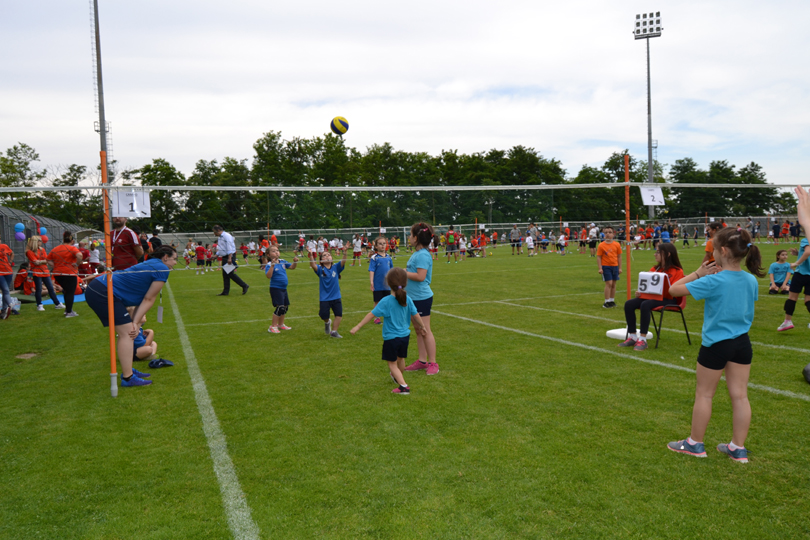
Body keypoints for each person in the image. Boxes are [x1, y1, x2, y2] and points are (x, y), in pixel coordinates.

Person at [666, 227, 764, 463]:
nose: (711, 253)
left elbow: (673, 290)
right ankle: (737, 448)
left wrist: (698, 273)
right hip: (742, 344)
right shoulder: (751, 280)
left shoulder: (713, 280)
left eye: (713, 249)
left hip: (716, 344)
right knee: (740, 397)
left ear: (723, 251)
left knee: (704, 394)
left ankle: (694, 444)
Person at [85, 245, 178, 387]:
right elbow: (148, 299)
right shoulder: (162, 268)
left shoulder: (151, 263)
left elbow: (142, 299)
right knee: (128, 333)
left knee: (127, 333)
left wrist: (136, 321)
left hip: (101, 288)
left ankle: (128, 371)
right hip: (103, 292)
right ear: (165, 257)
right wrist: (135, 322)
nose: (175, 263)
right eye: (175, 259)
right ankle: (128, 378)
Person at [351, 267, 428, 395]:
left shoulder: (386, 301)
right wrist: (422, 326)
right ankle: (398, 378)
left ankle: (403, 386)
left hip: (391, 338)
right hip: (405, 337)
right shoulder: (407, 298)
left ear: (388, 283)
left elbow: (371, 314)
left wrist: (358, 326)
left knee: (392, 364)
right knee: (400, 359)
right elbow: (416, 314)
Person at [618, 243, 685, 351]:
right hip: (653, 298)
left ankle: (643, 339)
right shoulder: (655, 269)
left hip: (669, 299)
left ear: (667, 254)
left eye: (658, 252)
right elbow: (647, 286)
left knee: (645, 304)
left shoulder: (677, 271)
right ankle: (633, 336)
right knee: (629, 304)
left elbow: (674, 291)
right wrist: (640, 292)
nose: (655, 254)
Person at [403, 222, 439, 375]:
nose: (409, 237)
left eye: (411, 235)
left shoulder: (423, 255)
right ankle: (422, 361)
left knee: (425, 330)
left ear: (416, 238)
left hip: (421, 298)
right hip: (412, 298)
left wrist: (402, 273)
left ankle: (433, 363)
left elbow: (420, 276)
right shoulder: (417, 254)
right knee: (418, 330)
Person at [776, 232, 810, 331]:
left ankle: (787, 321)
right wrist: (799, 254)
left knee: (792, 298)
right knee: (808, 300)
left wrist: (796, 263)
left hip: (801, 274)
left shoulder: (806, 240)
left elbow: (808, 252)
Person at [310, 249, 347, 338]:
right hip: (324, 298)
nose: (327, 256)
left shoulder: (336, 267)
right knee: (323, 315)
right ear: (321, 261)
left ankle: (334, 332)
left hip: (336, 296)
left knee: (339, 314)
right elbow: (313, 265)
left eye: (329, 255)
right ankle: (327, 322)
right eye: (324, 255)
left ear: (332, 258)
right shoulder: (320, 269)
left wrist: (345, 252)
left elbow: (343, 261)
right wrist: (311, 255)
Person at [47, 231, 82, 318]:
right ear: (72, 241)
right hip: (69, 273)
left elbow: (48, 259)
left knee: (66, 291)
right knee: (70, 292)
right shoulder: (72, 248)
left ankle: (68, 310)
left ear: (63, 240)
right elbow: (80, 255)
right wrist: (77, 264)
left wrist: (54, 266)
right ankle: (69, 312)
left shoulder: (55, 249)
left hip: (58, 274)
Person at [265, 245, 299, 333]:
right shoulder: (269, 265)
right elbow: (268, 276)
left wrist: (295, 262)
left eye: (277, 250)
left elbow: (292, 267)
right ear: (268, 255)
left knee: (285, 307)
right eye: (273, 251)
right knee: (280, 307)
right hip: (276, 288)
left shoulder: (283, 262)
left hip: (284, 289)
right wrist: (272, 266)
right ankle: (272, 326)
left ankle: (281, 324)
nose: (276, 252)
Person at [25, 236, 64, 311]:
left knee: (50, 288)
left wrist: (40, 261)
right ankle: (39, 305)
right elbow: (35, 262)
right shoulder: (29, 252)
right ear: (35, 242)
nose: (41, 242)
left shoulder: (42, 249)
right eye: (40, 240)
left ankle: (57, 303)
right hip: (36, 272)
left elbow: (46, 260)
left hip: (45, 271)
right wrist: (42, 261)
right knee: (38, 289)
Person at [213, 225, 249, 296]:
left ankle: (244, 285)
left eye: (214, 232)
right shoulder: (220, 237)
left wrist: (229, 258)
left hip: (229, 256)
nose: (214, 234)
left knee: (230, 273)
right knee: (225, 275)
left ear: (218, 230)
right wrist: (216, 255)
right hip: (224, 256)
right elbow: (221, 248)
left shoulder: (227, 236)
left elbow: (229, 247)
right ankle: (225, 292)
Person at [369, 236, 394, 324]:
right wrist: (371, 282)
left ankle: (388, 317)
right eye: (380, 244)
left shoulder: (388, 257)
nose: (382, 245)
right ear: (376, 246)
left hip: (387, 285)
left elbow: (391, 270)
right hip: (378, 284)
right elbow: (371, 270)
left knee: (388, 301)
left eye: (384, 243)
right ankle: (377, 318)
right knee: (377, 301)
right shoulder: (374, 258)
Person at [596, 226, 622, 308]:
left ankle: (611, 300)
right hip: (606, 266)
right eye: (606, 232)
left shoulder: (617, 244)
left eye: (610, 232)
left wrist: (620, 268)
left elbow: (619, 256)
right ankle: (606, 301)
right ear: (604, 234)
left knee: (614, 284)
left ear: (613, 234)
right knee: (609, 283)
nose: (608, 234)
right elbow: (599, 257)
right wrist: (600, 268)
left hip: (615, 266)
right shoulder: (601, 245)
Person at [0, 231, 14, 320]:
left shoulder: (4, 246)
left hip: (8, 271)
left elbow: (12, 253)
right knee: (5, 290)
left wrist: (10, 261)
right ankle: (10, 304)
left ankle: (4, 310)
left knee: (5, 291)